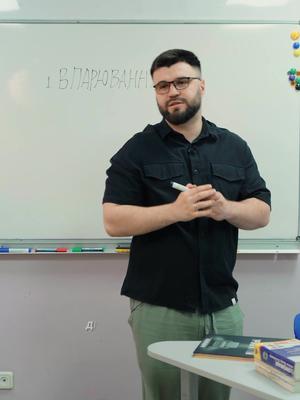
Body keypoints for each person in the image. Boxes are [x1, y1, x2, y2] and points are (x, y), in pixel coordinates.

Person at [102, 49, 271, 400]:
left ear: (201, 85)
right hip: (158, 308)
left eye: (181, 81)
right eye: (161, 86)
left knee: (217, 397)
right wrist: (175, 211)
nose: (172, 91)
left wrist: (226, 208)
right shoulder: (137, 150)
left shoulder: (234, 147)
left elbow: (261, 212)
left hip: (222, 307)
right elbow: (113, 219)